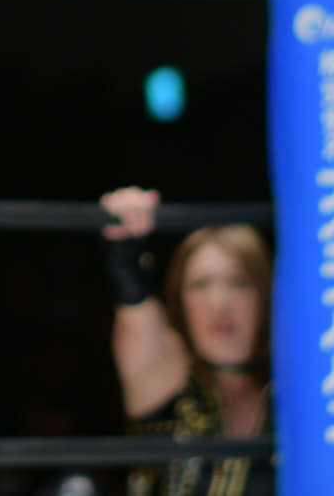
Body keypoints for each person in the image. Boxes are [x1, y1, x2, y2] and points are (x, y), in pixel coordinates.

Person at [99, 186, 274, 496]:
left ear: (264, 293)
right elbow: (133, 300)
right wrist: (122, 233)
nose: (220, 303)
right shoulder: (165, 376)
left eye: (239, 283)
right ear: (180, 301)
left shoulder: (294, 394)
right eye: (201, 285)